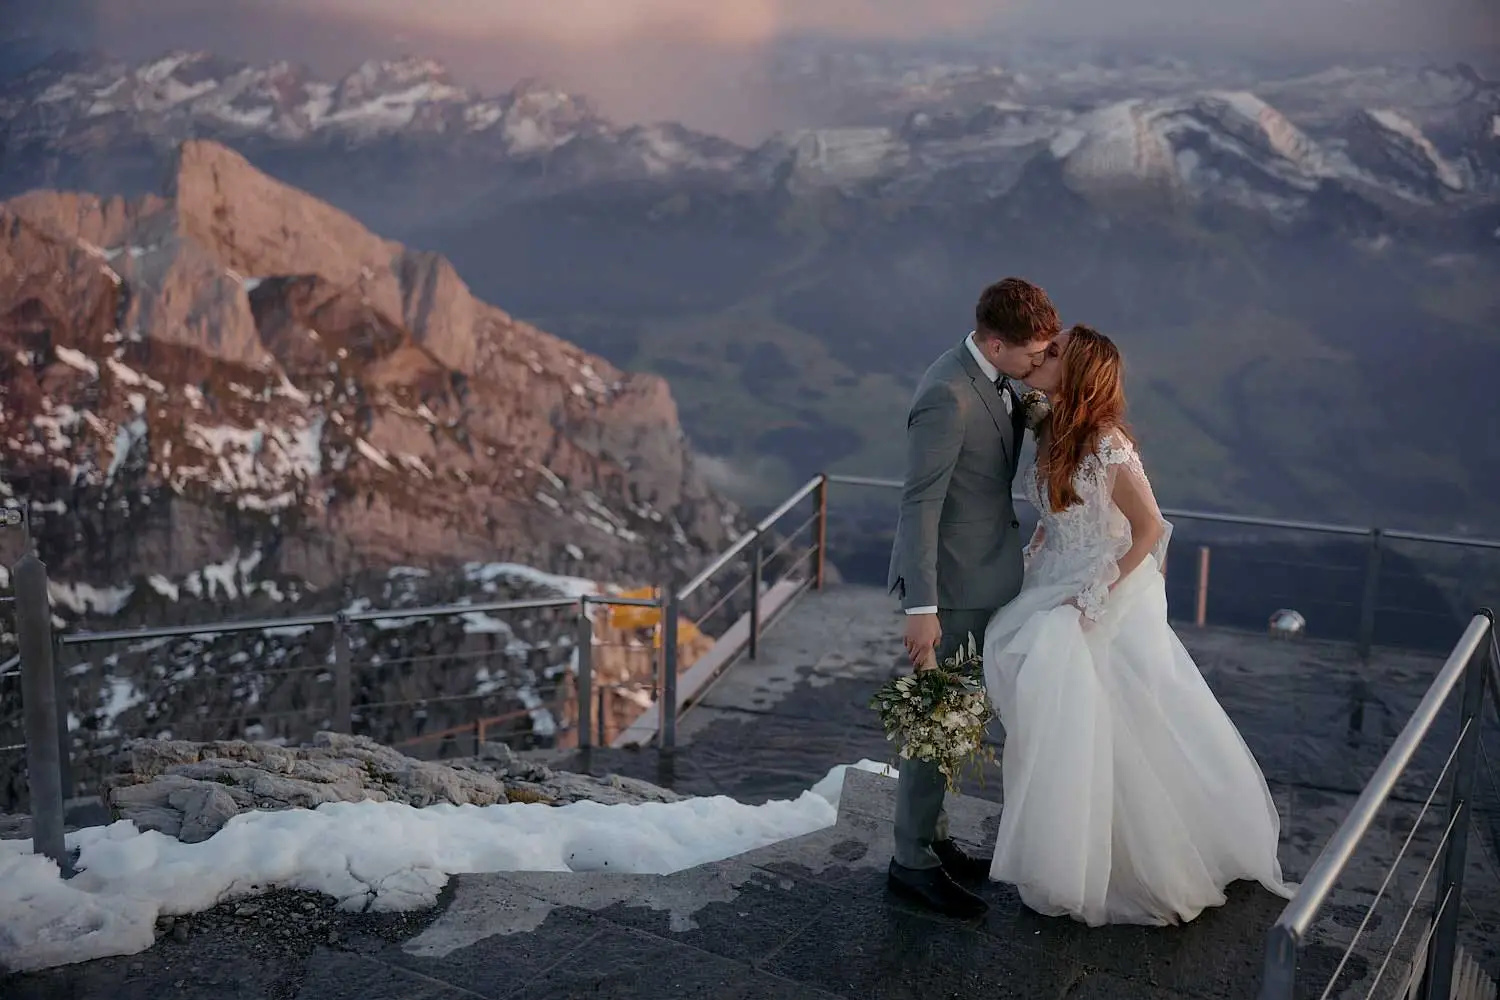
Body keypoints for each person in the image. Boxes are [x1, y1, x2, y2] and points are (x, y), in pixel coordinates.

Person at [982, 324, 1296, 926]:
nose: (1042, 356)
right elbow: (1057, 511)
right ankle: (1070, 849)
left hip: (1108, 588)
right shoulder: (1050, 426)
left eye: (1055, 353)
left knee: (1108, 719)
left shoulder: (1106, 442)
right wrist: (1035, 558)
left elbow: (1151, 529)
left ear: (1076, 372)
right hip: (1055, 576)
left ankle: (1133, 860)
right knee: (1069, 721)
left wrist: (1093, 598)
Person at [885, 277, 1061, 918]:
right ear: (995, 341)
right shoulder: (946, 395)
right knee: (935, 725)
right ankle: (910, 865)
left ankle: (932, 841)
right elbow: (919, 503)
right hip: (953, 590)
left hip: (986, 576)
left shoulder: (993, 379)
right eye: (1033, 352)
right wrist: (921, 609)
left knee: (957, 723)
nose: (1040, 362)